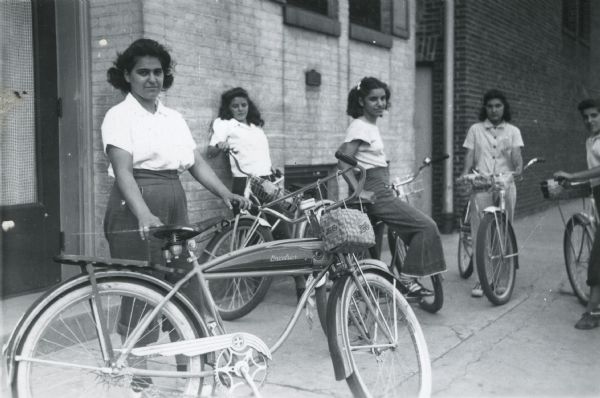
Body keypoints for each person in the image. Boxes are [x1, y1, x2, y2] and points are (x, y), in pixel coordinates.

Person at [101, 38, 249, 393]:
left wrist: (226, 193)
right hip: (134, 205)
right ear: (127, 76)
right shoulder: (118, 116)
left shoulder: (173, 117)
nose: (152, 79)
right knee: (141, 291)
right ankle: (139, 377)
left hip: (173, 202)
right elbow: (123, 171)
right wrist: (143, 214)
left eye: (157, 72)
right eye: (143, 72)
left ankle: (192, 371)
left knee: (185, 286)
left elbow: (195, 163)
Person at [336, 76, 447, 297]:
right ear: (361, 102)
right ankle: (407, 277)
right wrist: (360, 190)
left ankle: (370, 294)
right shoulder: (360, 126)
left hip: (379, 187)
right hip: (373, 191)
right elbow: (342, 160)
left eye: (383, 98)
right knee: (426, 226)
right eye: (373, 99)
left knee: (371, 249)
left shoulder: (368, 126)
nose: (380, 103)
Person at [207, 87, 306, 300]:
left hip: (267, 183)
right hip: (245, 185)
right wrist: (221, 145)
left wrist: (271, 171)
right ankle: (251, 293)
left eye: (243, 105)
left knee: (283, 232)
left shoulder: (255, 126)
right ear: (228, 108)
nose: (240, 109)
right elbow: (211, 151)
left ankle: (301, 285)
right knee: (250, 238)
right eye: (235, 105)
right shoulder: (224, 124)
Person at [460, 89, 524, 297]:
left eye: (498, 106)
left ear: (504, 108)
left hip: (504, 184)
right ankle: (483, 279)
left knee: (503, 231)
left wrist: (518, 167)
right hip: (482, 182)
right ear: (485, 108)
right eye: (490, 106)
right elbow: (470, 155)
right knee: (482, 233)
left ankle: (503, 279)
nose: (494, 110)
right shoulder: (476, 129)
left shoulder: (513, 130)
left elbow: (517, 155)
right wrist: (464, 173)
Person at [554, 98, 600, 330]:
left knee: (597, 257)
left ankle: (594, 311)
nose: (589, 120)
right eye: (586, 117)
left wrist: (573, 176)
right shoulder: (590, 140)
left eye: (594, 115)